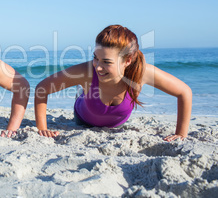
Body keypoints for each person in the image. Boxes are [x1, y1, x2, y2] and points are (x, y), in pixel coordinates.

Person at [34, 25, 192, 142]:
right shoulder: (87, 70)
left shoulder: (142, 73)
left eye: (106, 61)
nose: (98, 66)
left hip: (115, 124)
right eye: (95, 57)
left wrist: (181, 133)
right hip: (83, 118)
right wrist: (43, 128)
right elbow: (42, 88)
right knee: (85, 89)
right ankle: (81, 91)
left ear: (127, 60)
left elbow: (184, 92)